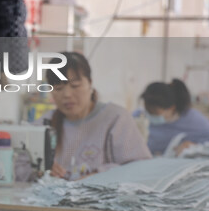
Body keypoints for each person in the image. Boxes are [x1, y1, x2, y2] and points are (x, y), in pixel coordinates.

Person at [45, 52, 151, 180]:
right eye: (58, 88)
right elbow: (20, 167)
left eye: (75, 86)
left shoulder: (115, 118)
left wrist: (99, 176)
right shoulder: (45, 123)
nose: (67, 94)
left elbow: (140, 168)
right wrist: (42, 170)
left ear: (90, 83)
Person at [141, 79, 209, 156]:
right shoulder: (140, 117)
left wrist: (195, 146)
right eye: (147, 111)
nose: (150, 115)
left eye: (155, 113)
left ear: (172, 108)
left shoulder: (193, 120)